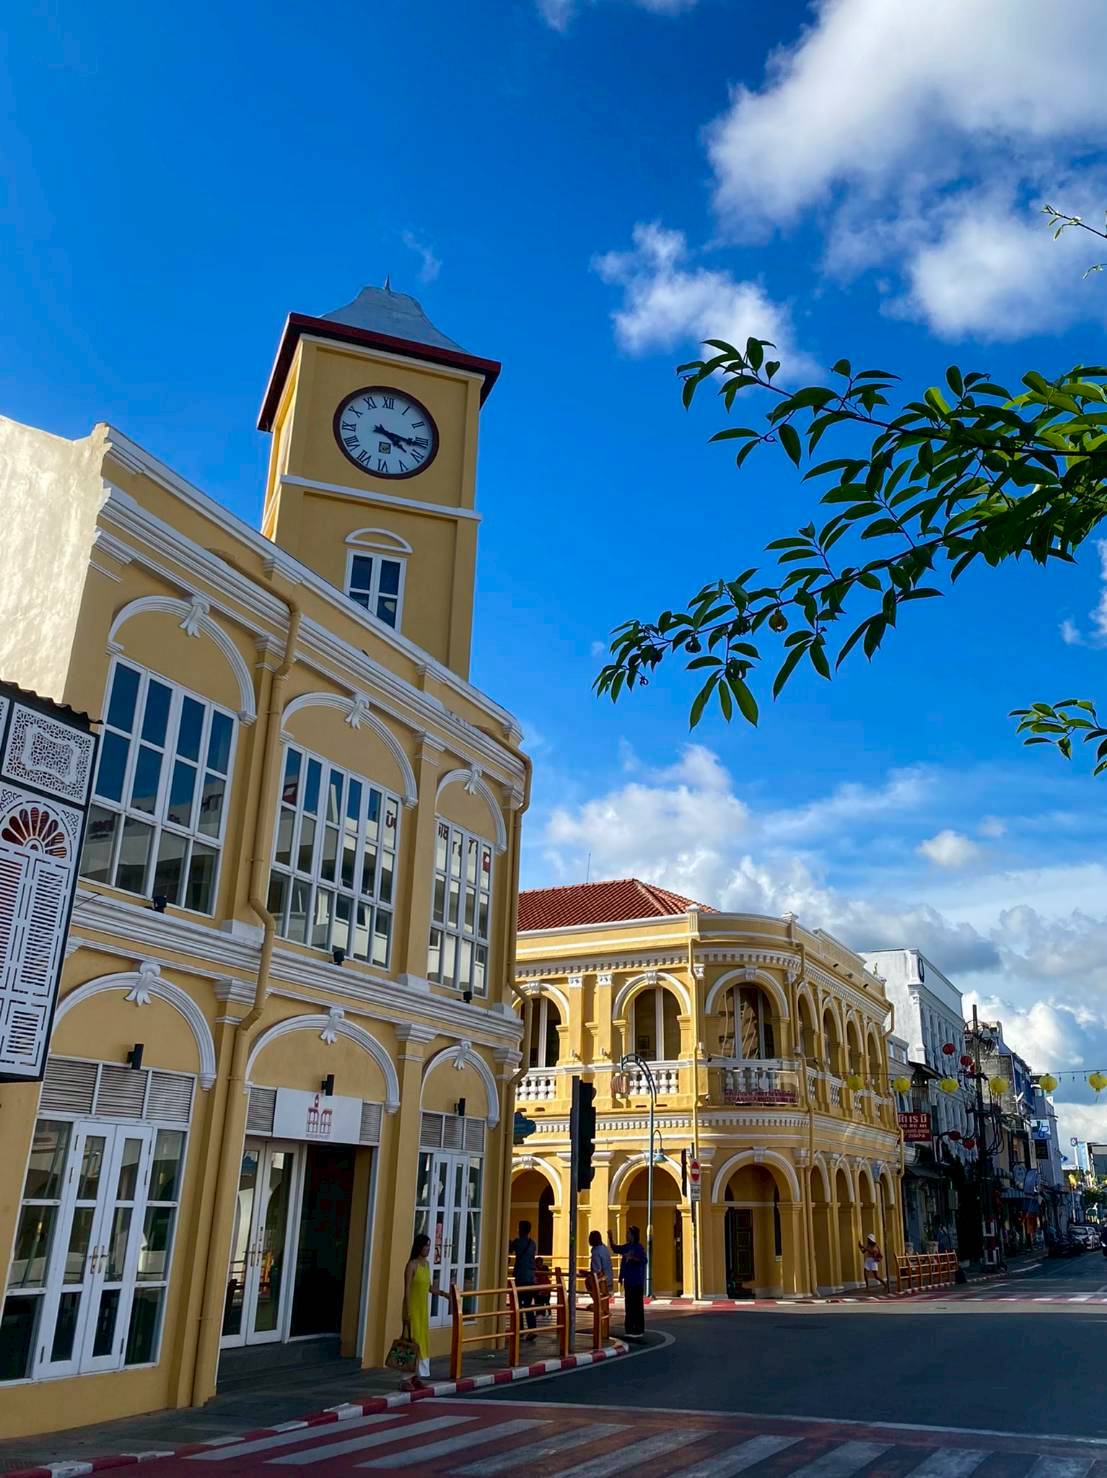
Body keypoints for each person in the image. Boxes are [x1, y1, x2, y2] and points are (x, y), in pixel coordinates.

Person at [401, 1233, 445, 1391]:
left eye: (429, 1246)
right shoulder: (412, 1265)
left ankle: (416, 1376)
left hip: (422, 1310)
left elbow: (429, 1287)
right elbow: (406, 1290)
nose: (427, 1249)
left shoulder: (426, 1265)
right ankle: (405, 1378)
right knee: (411, 1342)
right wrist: (407, 1311)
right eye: (425, 1246)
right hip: (412, 1309)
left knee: (421, 1342)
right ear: (419, 1247)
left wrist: (444, 1294)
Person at [610, 1225, 648, 1338]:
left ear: (633, 1235)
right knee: (629, 1305)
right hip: (628, 1281)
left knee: (637, 1306)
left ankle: (639, 1328)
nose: (627, 1235)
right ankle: (629, 1328)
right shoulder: (627, 1247)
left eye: (629, 1233)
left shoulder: (639, 1247)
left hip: (637, 1281)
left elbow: (644, 1260)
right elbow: (616, 1249)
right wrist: (610, 1238)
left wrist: (633, 1258)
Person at [510, 1218, 538, 1341]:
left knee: (518, 1305)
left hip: (520, 1277)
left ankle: (519, 1329)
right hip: (531, 1277)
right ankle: (532, 1329)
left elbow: (509, 1249)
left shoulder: (518, 1242)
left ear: (521, 1230)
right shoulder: (532, 1243)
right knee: (528, 1305)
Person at [589, 1228, 614, 1295]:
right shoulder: (604, 1248)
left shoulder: (596, 1252)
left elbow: (597, 1270)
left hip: (602, 1282)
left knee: (588, 1282)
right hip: (609, 1280)